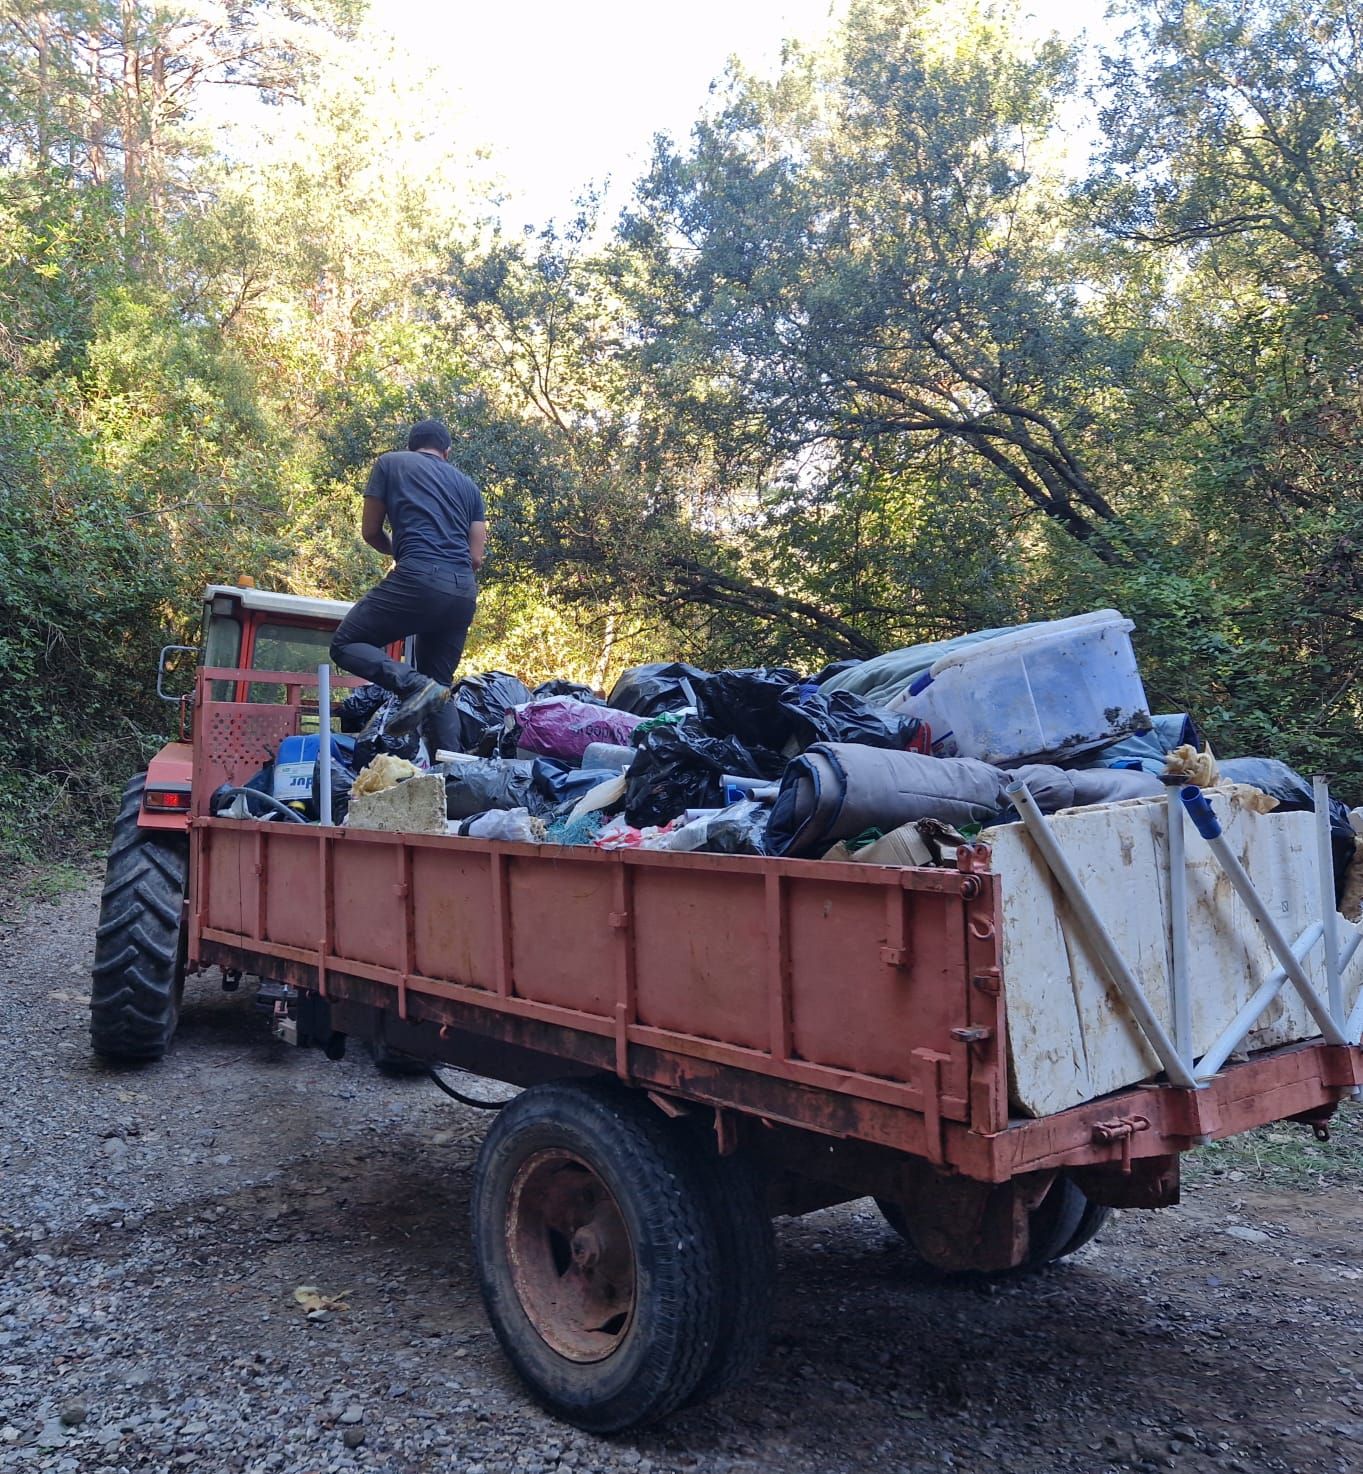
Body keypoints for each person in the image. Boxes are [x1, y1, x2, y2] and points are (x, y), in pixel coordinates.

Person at [330, 418, 487, 752]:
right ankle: (454, 780)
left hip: (418, 576)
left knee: (345, 644)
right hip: (462, 591)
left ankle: (414, 685)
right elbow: (476, 557)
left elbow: (371, 531)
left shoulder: (391, 463)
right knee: (440, 686)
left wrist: (403, 550)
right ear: (447, 451)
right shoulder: (469, 487)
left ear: (412, 445)